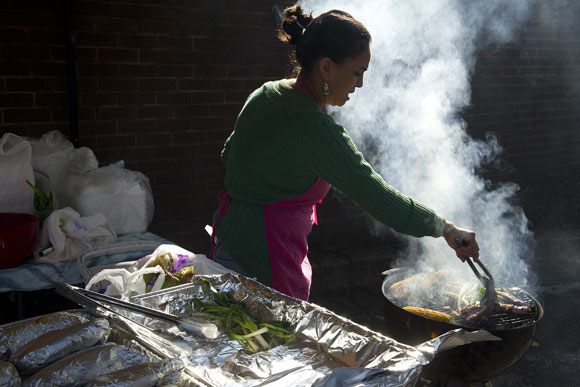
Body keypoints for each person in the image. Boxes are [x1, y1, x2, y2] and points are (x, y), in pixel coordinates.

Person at [210, 5, 479, 301]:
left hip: (226, 244)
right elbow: (380, 199)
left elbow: (229, 154)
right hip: (264, 265)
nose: (360, 84)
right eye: (356, 72)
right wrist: (445, 228)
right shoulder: (316, 129)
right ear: (326, 67)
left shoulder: (265, 93)